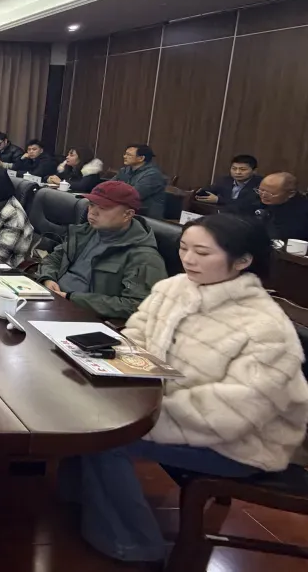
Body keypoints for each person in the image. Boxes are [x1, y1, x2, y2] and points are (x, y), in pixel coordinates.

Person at [66, 215, 308, 563]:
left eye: (203, 253)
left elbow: (233, 413)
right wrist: (107, 365)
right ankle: (83, 499)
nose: (189, 259)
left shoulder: (265, 327)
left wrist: (143, 417)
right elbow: (135, 338)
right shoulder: (174, 288)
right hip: (166, 410)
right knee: (83, 406)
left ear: (242, 260)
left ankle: (133, 545)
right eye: (183, 248)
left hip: (237, 442)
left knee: (107, 438)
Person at [36, 181, 167, 319]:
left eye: (103, 207)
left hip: (85, 316)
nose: (92, 212)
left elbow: (137, 305)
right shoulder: (85, 232)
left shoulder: (144, 256)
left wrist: (72, 298)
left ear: (127, 214)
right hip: (52, 300)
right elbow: (55, 258)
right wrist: (47, 278)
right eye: (91, 204)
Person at [114, 143, 167, 219]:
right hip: (127, 212)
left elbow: (133, 195)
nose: (124, 156)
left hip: (145, 217)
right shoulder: (124, 170)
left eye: (129, 155)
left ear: (141, 158)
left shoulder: (153, 175)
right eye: (125, 154)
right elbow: (107, 187)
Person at [253, 172, 308, 241]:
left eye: (271, 194)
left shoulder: (301, 213)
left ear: (291, 194)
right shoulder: (262, 198)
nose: (263, 196)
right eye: (261, 190)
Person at [198, 154, 263, 214]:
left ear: (254, 171)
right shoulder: (225, 180)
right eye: (234, 169)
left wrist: (219, 200)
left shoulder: (261, 184)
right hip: (222, 215)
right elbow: (210, 189)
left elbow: (248, 204)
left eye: (243, 169)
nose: (237, 172)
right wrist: (201, 192)